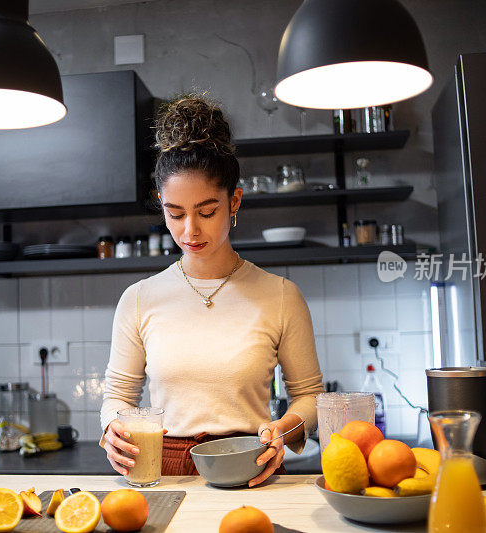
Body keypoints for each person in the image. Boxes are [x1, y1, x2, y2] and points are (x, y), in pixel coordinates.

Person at [100, 94, 324, 486]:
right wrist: (111, 429)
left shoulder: (281, 296)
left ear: (234, 200)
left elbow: (309, 395)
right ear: (162, 205)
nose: (190, 231)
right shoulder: (139, 299)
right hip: (165, 471)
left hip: (252, 464)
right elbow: (118, 395)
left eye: (206, 212)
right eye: (175, 213)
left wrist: (283, 431)